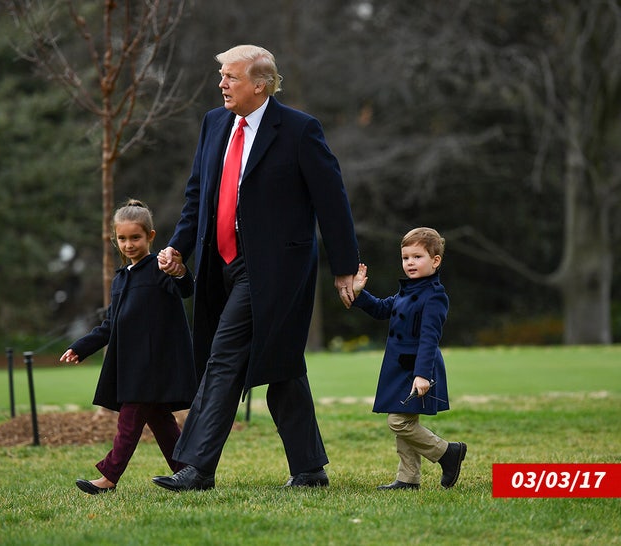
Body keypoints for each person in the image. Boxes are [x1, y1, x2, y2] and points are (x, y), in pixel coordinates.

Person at [153, 44, 359, 491]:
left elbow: (332, 200)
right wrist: (178, 248)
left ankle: (196, 467)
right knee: (281, 363)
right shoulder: (213, 124)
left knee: (223, 357)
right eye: (222, 76)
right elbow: (198, 196)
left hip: (274, 271)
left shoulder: (300, 130)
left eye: (231, 77)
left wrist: (345, 267)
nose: (222, 84)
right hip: (217, 264)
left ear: (260, 84)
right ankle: (309, 470)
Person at [59, 199, 198, 495]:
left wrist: (180, 271)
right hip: (131, 365)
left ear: (150, 236)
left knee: (129, 421)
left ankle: (109, 477)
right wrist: (81, 347)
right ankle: (189, 472)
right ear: (115, 239)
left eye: (135, 237)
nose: (129, 244)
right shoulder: (121, 279)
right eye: (122, 238)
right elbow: (110, 325)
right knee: (160, 420)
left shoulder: (160, 270)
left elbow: (186, 289)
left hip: (155, 365)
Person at [350, 227, 466, 490]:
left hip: (417, 368)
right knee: (406, 419)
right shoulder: (407, 291)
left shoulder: (434, 295)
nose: (410, 263)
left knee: (398, 421)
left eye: (417, 257)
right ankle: (408, 478)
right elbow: (381, 309)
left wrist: (423, 374)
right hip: (399, 367)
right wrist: (359, 293)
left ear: (435, 261)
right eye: (406, 258)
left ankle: (448, 452)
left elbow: (429, 338)